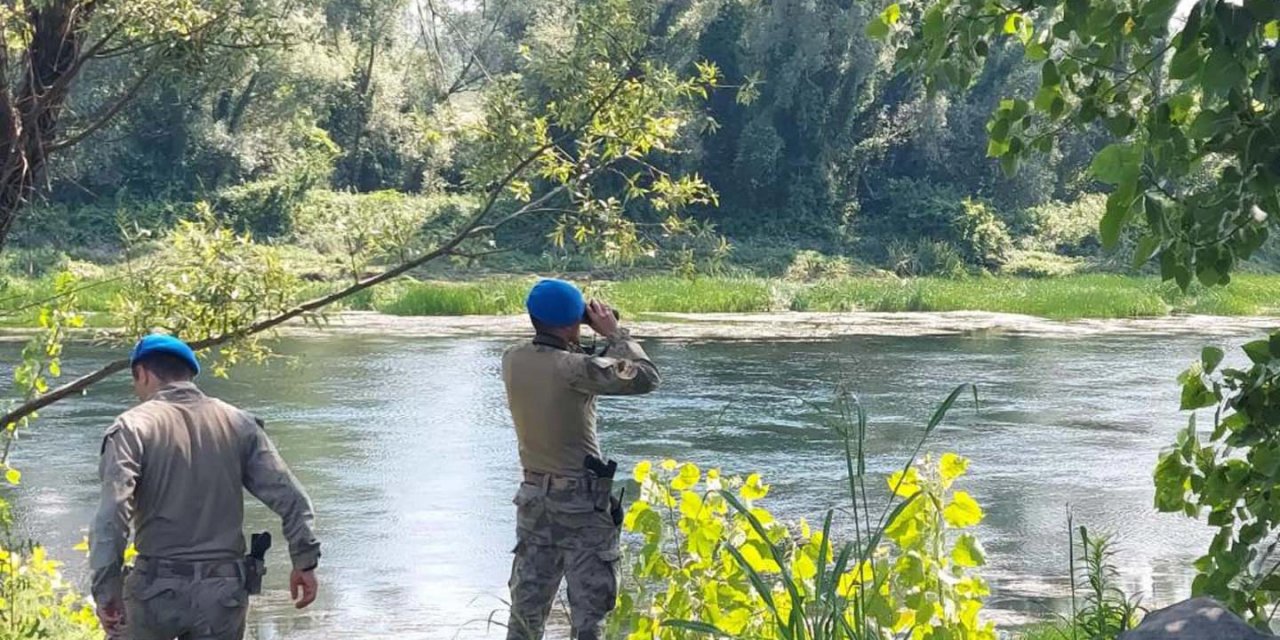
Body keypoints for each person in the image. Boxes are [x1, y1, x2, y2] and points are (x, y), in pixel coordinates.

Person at [90, 334, 322, 640]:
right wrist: (304, 562)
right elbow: (292, 499)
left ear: (143, 373)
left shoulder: (133, 427)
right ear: (188, 373)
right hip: (223, 594)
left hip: (154, 592)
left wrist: (107, 589)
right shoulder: (239, 423)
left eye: (136, 382)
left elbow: (113, 513)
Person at [502, 278, 660, 640]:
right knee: (590, 617)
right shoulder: (575, 369)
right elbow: (646, 378)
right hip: (581, 506)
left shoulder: (512, 358)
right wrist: (615, 333)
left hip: (533, 501)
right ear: (574, 321)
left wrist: (576, 331)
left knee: (526, 616)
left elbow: (558, 357)